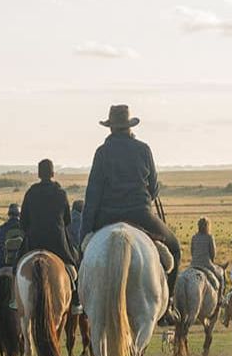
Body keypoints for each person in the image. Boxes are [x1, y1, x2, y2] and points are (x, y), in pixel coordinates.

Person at [82, 105, 181, 325]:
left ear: (110, 128)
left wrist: (85, 234)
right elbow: (154, 188)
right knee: (174, 248)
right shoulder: (143, 149)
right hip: (141, 215)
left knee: (83, 256)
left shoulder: (102, 152)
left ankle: (82, 302)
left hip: (106, 218)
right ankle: (168, 307)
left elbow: (92, 196)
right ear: (128, 127)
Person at [18, 159, 81, 312]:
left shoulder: (31, 193)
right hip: (57, 243)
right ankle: (76, 301)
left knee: (16, 266)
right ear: (53, 173)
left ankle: (15, 299)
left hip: (34, 242)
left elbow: (23, 222)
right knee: (73, 267)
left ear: (39, 174)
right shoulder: (61, 193)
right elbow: (67, 220)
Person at [189, 217, 220, 291]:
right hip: (206, 264)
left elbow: (192, 251)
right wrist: (212, 261)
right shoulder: (209, 237)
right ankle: (220, 298)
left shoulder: (194, 237)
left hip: (194, 264)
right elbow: (213, 253)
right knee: (220, 278)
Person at [0, 203, 24, 271]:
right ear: (19, 214)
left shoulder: (1, 229)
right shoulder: (24, 228)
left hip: (3, 264)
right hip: (20, 264)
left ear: (8, 214)